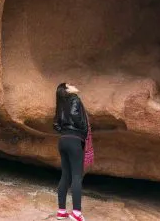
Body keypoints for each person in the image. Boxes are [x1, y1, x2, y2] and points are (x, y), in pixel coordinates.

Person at [53, 83, 92, 221]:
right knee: (76, 176)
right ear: (66, 90)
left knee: (65, 175)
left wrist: (65, 131)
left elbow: (55, 124)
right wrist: (83, 128)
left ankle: (61, 211)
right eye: (70, 84)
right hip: (75, 139)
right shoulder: (74, 98)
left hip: (63, 140)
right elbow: (75, 114)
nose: (74, 85)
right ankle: (76, 213)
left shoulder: (60, 104)